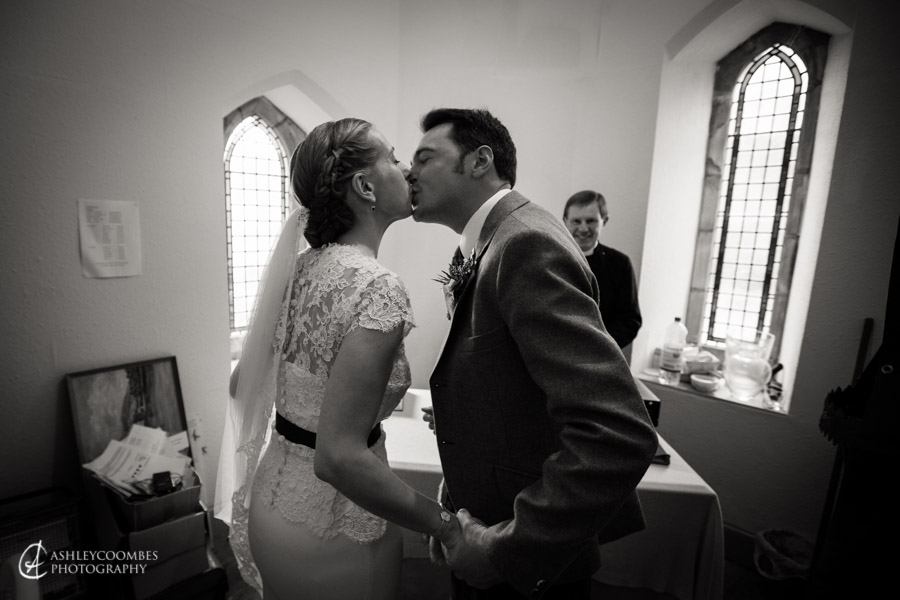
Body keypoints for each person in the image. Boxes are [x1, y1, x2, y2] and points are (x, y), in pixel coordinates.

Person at [408, 108, 658, 600]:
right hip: (486, 513)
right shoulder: (483, 245)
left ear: (480, 160)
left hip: (523, 562)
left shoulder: (525, 245)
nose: (407, 172)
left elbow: (617, 434)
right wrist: (458, 493)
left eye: (424, 157)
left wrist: (506, 550)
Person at [214, 118, 462, 600]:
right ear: (365, 186)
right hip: (338, 524)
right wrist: (447, 526)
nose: (406, 167)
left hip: (274, 500)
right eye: (392, 157)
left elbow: (239, 383)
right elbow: (340, 457)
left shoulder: (300, 270)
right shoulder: (375, 288)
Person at [563, 190, 643, 349]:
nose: (584, 228)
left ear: (604, 221)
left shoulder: (620, 264)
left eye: (591, 221)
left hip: (600, 357)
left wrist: (597, 345)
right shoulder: (548, 259)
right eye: (576, 221)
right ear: (565, 222)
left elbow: (630, 320)